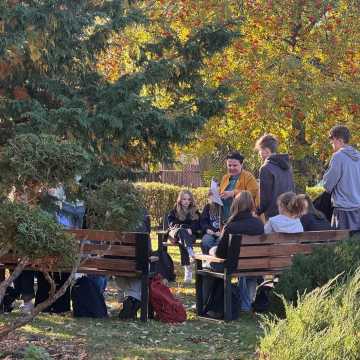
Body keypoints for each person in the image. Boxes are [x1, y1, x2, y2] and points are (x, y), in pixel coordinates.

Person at [208, 191, 264, 314]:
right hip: (256, 264)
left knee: (210, 259)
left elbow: (220, 254)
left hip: (233, 265)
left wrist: (212, 252)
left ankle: (211, 303)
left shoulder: (231, 226)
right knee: (249, 270)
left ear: (235, 205)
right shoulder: (259, 224)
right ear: (251, 205)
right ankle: (246, 304)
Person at [322, 125, 360, 231]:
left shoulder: (338, 156)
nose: (332, 145)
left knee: (340, 245)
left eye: (332, 141)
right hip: (358, 208)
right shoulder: (359, 156)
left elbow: (328, 185)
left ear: (339, 140)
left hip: (343, 210)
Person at [255, 134, 295, 220]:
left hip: (274, 216)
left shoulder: (266, 168)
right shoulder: (288, 166)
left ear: (266, 150)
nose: (259, 154)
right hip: (290, 213)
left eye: (260, 151)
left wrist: (257, 212)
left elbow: (265, 198)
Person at [168, 190, 201, 283]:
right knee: (182, 231)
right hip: (177, 234)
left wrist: (191, 229)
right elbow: (171, 223)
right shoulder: (174, 210)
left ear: (191, 201)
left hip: (190, 236)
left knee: (183, 241)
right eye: (184, 199)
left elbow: (198, 224)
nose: (186, 201)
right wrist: (184, 228)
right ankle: (190, 253)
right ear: (180, 200)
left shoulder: (195, 211)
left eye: (189, 199)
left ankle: (188, 269)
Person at [219, 152, 259, 222]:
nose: (232, 168)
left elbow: (253, 193)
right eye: (229, 165)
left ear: (241, 164)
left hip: (242, 218)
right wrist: (214, 194)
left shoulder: (248, 177)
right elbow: (221, 193)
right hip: (225, 216)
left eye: (235, 165)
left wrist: (233, 193)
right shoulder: (225, 178)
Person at [200, 190, 222, 255]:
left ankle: (214, 261)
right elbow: (203, 221)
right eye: (211, 196)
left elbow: (227, 221)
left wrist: (222, 231)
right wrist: (207, 229)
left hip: (220, 233)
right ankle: (208, 260)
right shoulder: (207, 207)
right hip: (210, 233)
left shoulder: (223, 207)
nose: (213, 198)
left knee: (220, 242)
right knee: (206, 241)